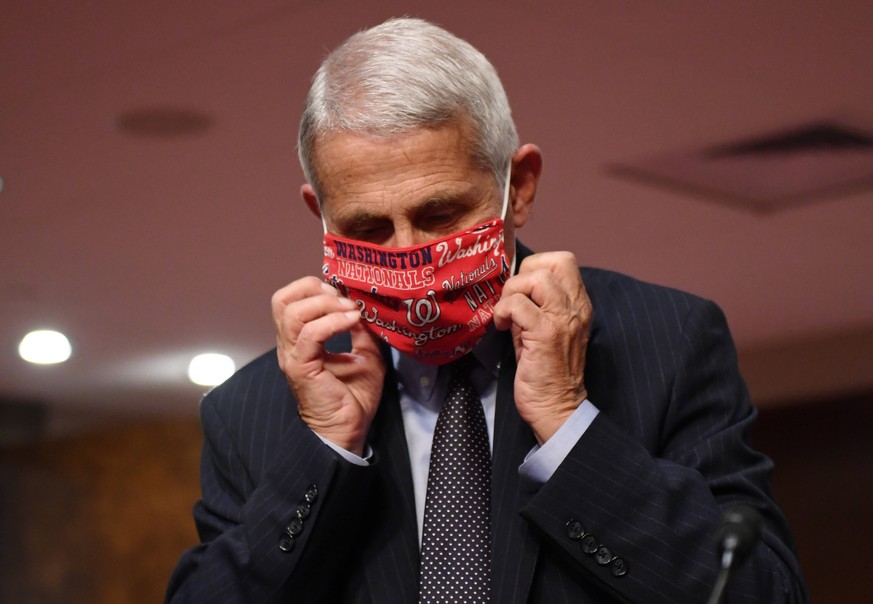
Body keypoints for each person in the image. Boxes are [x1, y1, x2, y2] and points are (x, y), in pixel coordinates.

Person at [165, 17, 808, 604]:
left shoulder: (666, 344)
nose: (410, 259)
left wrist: (566, 422)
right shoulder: (250, 410)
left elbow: (763, 594)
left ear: (518, 187)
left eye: (440, 214)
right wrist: (325, 448)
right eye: (368, 227)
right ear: (321, 215)